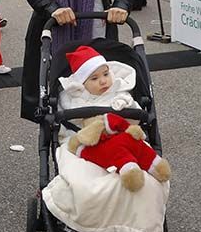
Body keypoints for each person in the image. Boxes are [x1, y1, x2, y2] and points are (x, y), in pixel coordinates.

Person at [59, 45, 171, 190]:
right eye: (94, 78)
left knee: (150, 181)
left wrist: (127, 105)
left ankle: (149, 170)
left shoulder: (120, 92)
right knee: (83, 182)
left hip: (121, 139)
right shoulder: (73, 102)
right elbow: (66, 131)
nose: (103, 81)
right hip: (90, 147)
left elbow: (136, 119)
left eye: (106, 74)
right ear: (81, 84)